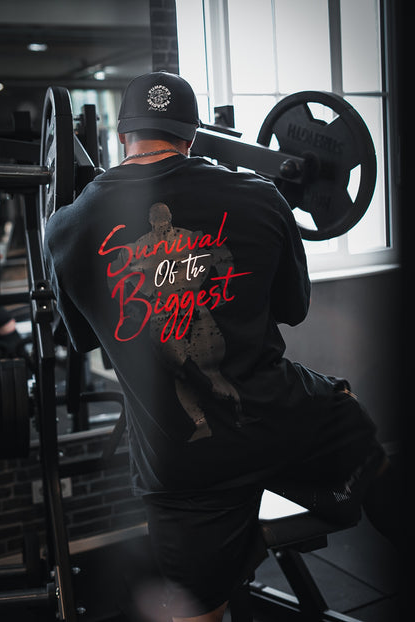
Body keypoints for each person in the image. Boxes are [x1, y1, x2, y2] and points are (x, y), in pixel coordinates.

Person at [44, 72, 399, 622]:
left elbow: (86, 338)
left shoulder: (69, 228)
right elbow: (293, 309)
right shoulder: (261, 197)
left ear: (121, 136)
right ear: (191, 135)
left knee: (197, 612)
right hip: (283, 420)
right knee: (370, 456)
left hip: (184, 463)